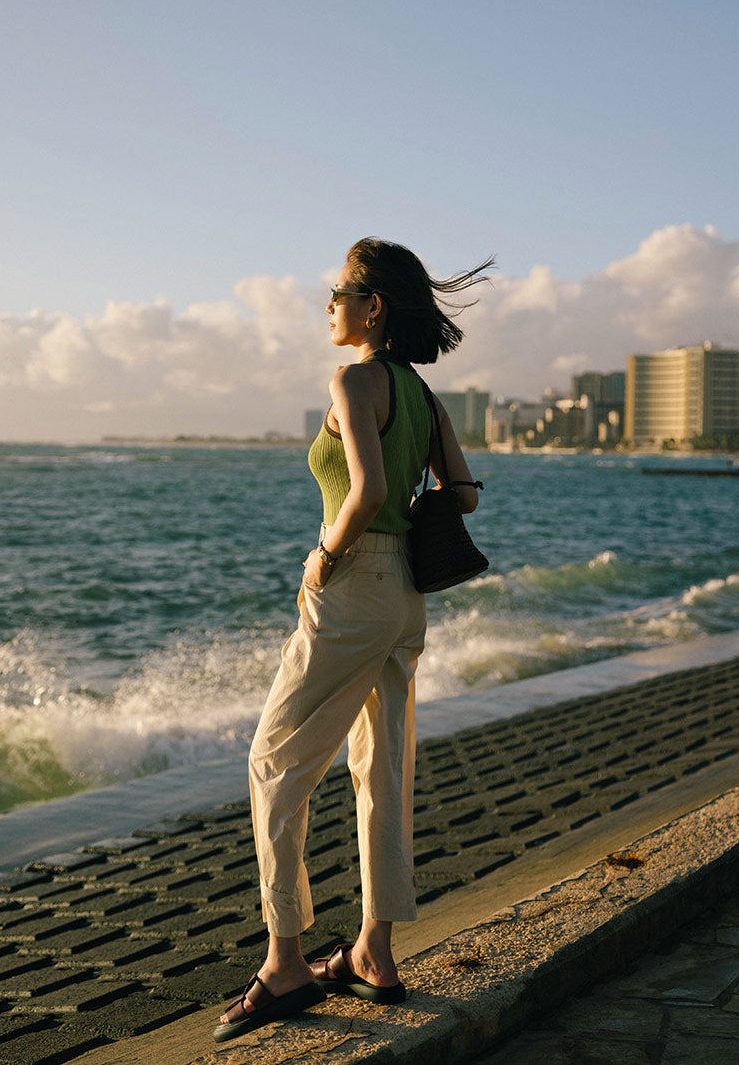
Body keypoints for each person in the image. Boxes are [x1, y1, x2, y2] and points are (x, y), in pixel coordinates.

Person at [215, 237, 492, 1042]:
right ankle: (373, 952)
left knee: (274, 762)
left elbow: (366, 490)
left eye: (338, 291)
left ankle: (286, 962)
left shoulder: (354, 378)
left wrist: (322, 558)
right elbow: (465, 497)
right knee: (383, 772)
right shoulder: (422, 395)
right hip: (407, 597)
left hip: (356, 582)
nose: (327, 304)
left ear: (373, 307)